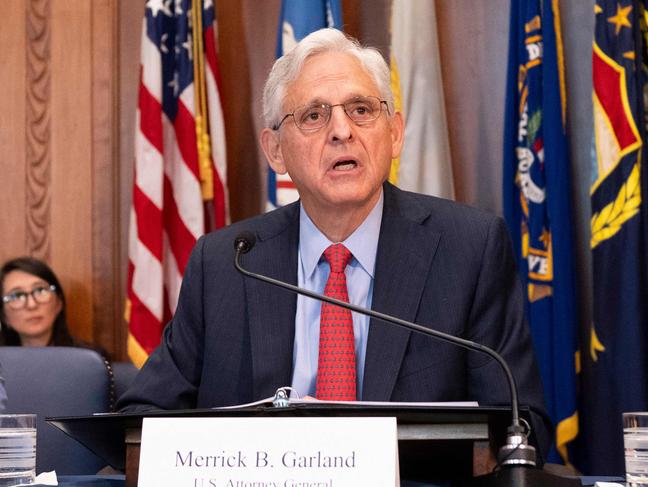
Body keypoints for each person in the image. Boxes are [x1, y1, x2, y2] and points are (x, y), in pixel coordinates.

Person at [118, 28, 551, 459]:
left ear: (395, 133)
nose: (342, 130)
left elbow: (520, 424)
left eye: (361, 109)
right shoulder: (226, 264)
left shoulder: (468, 250)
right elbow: (142, 421)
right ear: (275, 152)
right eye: (313, 116)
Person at [0, 257, 104, 355]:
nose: (32, 305)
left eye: (40, 290)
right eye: (17, 296)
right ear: (4, 315)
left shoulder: (90, 359)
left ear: (59, 303)